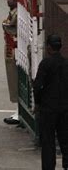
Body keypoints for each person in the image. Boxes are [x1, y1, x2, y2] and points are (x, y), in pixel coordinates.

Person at [33, 35, 68, 170]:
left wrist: (37, 103)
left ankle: (48, 167)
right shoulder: (66, 63)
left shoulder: (46, 64)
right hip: (65, 107)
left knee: (48, 142)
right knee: (65, 139)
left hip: (48, 108)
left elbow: (38, 86)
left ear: (48, 47)